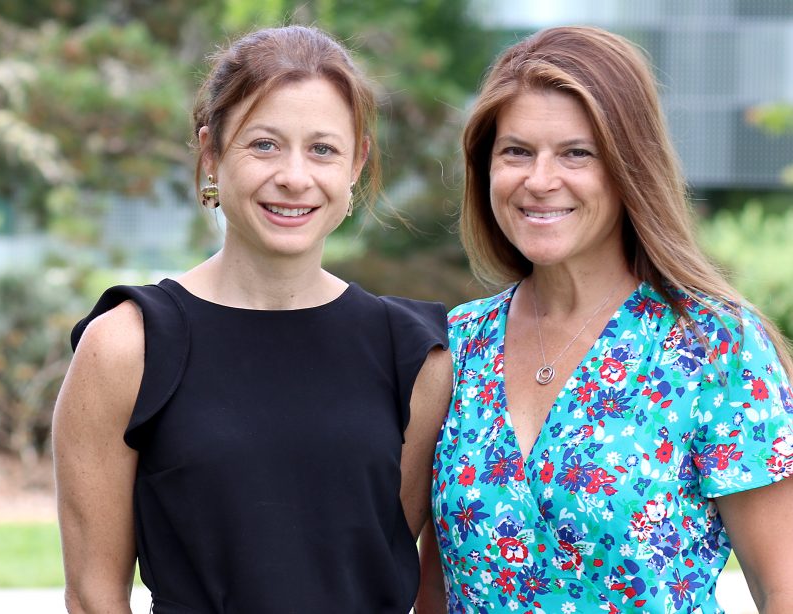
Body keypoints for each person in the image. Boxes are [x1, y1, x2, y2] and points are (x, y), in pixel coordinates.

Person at [52, 25, 452, 613]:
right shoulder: (128, 346)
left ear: (357, 162)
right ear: (211, 150)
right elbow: (93, 597)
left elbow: (417, 582)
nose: (294, 176)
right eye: (264, 144)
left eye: (323, 149)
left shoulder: (414, 357)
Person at [417, 25, 793, 614]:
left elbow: (784, 589)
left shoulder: (716, 346)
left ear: (628, 167)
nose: (540, 181)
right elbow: (434, 591)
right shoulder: (456, 346)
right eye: (516, 151)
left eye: (576, 153)